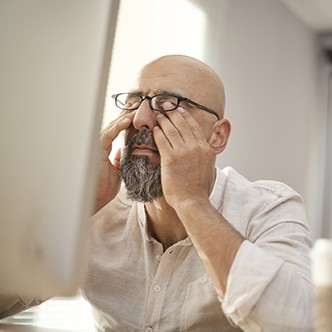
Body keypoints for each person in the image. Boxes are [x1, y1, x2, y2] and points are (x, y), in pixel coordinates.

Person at [0, 55, 314, 331]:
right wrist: (77, 211)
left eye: (168, 104)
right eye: (134, 102)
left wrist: (190, 200)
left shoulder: (269, 207)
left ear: (217, 136)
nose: (139, 119)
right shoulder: (99, 206)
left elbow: (294, 324)